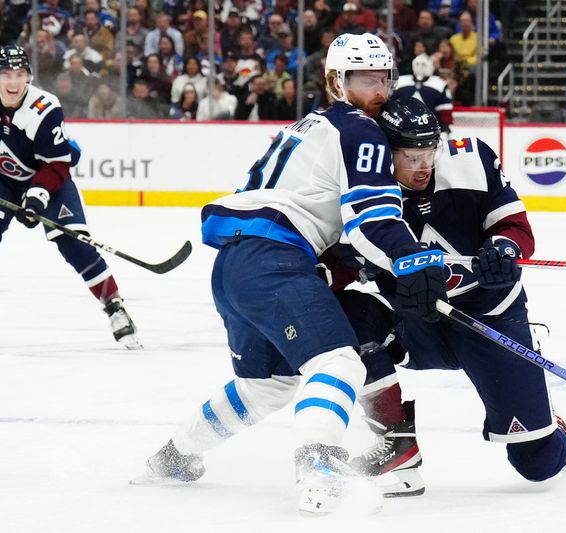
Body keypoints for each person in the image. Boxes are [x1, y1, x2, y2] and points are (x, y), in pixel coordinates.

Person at [137, 34, 447, 515]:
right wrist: (413, 258)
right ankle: (319, 467)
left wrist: (337, 261)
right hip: (274, 260)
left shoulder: (303, 127)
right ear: (335, 81)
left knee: (268, 386)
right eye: (364, 79)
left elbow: (297, 205)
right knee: (340, 362)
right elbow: (373, 221)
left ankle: (175, 457)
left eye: (383, 77)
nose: (379, 90)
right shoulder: (362, 130)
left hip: (235, 266)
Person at [328, 98, 566, 497]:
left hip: (492, 319)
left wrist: (504, 248)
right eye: (410, 156)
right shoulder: (365, 193)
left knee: (537, 465)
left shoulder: (472, 160)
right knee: (342, 317)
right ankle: (397, 441)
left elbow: (517, 229)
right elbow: (342, 262)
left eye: (428, 151)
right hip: (417, 328)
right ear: (383, 153)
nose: (423, 165)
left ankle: (552, 429)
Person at [0, 45, 141, 349]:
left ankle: (114, 307)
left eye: (20, 74)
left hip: (48, 178)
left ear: (29, 76)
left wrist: (37, 196)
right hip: (3, 180)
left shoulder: (44, 107)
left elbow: (56, 163)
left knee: (75, 244)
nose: (13, 82)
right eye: (5, 74)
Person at [392, 54, 454, 136]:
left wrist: (444, 130)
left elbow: (445, 110)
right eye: (418, 64)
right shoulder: (400, 82)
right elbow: (391, 107)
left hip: (431, 130)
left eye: (423, 64)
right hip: (401, 128)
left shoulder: (440, 83)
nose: (420, 67)